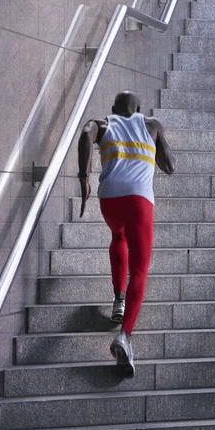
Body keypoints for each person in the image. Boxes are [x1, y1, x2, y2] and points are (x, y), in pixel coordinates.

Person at [77, 90, 175, 377]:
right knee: (140, 269)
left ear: (113, 108)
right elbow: (169, 166)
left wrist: (83, 178)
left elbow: (85, 133)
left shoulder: (103, 123)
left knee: (118, 238)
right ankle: (125, 336)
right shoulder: (151, 124)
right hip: (138, 200)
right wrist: (159, 142)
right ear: (139, 109)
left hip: (109, 199)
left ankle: (119, 299)